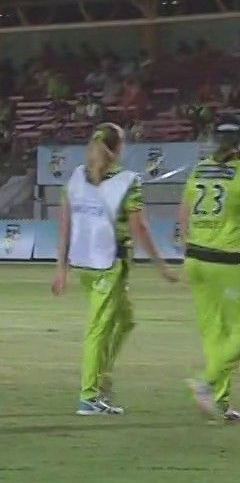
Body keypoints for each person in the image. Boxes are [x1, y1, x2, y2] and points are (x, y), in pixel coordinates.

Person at [51, 122, 177, 415]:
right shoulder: (128, 181)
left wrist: (61, 269)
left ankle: (102, 376)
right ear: (119, 148)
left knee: (125, 319)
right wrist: (161, 265)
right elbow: (140, 227)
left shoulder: (76, 178)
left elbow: (65, 225)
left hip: (84, 263)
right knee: (99, 328)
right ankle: (89, 396)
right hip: (110, 265)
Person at [184, 120, 240, 422]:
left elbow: (183, 214)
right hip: (226, 260)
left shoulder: (199, 170)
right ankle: (206, 383)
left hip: (195, 258)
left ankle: (219, 401)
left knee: (214, 332)